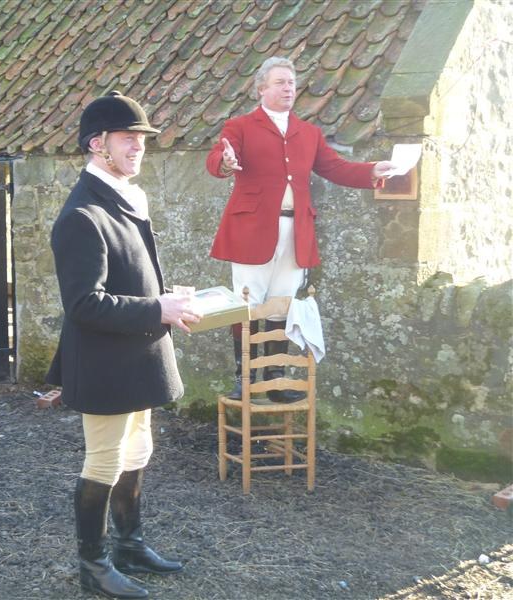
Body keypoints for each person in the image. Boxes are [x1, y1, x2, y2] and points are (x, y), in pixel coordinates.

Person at [46, 92, 201, 599]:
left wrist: (169, 300)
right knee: (104, 461)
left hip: (135, 352)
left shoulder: (127, 198)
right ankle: (93, 566)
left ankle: (130, 546)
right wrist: (158, 309)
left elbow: (131, 275)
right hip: (104, 361)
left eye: (142, 139)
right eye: (128, 138)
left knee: (139, 449)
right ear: (98, 144)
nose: (138, 146)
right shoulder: (82, 215)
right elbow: (84, 304)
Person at [205, 57, 395, 403]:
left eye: (291, 82)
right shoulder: (240, 126)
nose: (288, 88)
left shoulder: (308, 133)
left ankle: (275, 380)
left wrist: (371, 171)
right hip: (251, 230)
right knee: (245, 306)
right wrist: (226, 162)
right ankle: (244, 379)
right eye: (280, 82)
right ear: (261, 89)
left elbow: (335, 168)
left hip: (297, 231)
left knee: (283, 304)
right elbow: (218, 159)